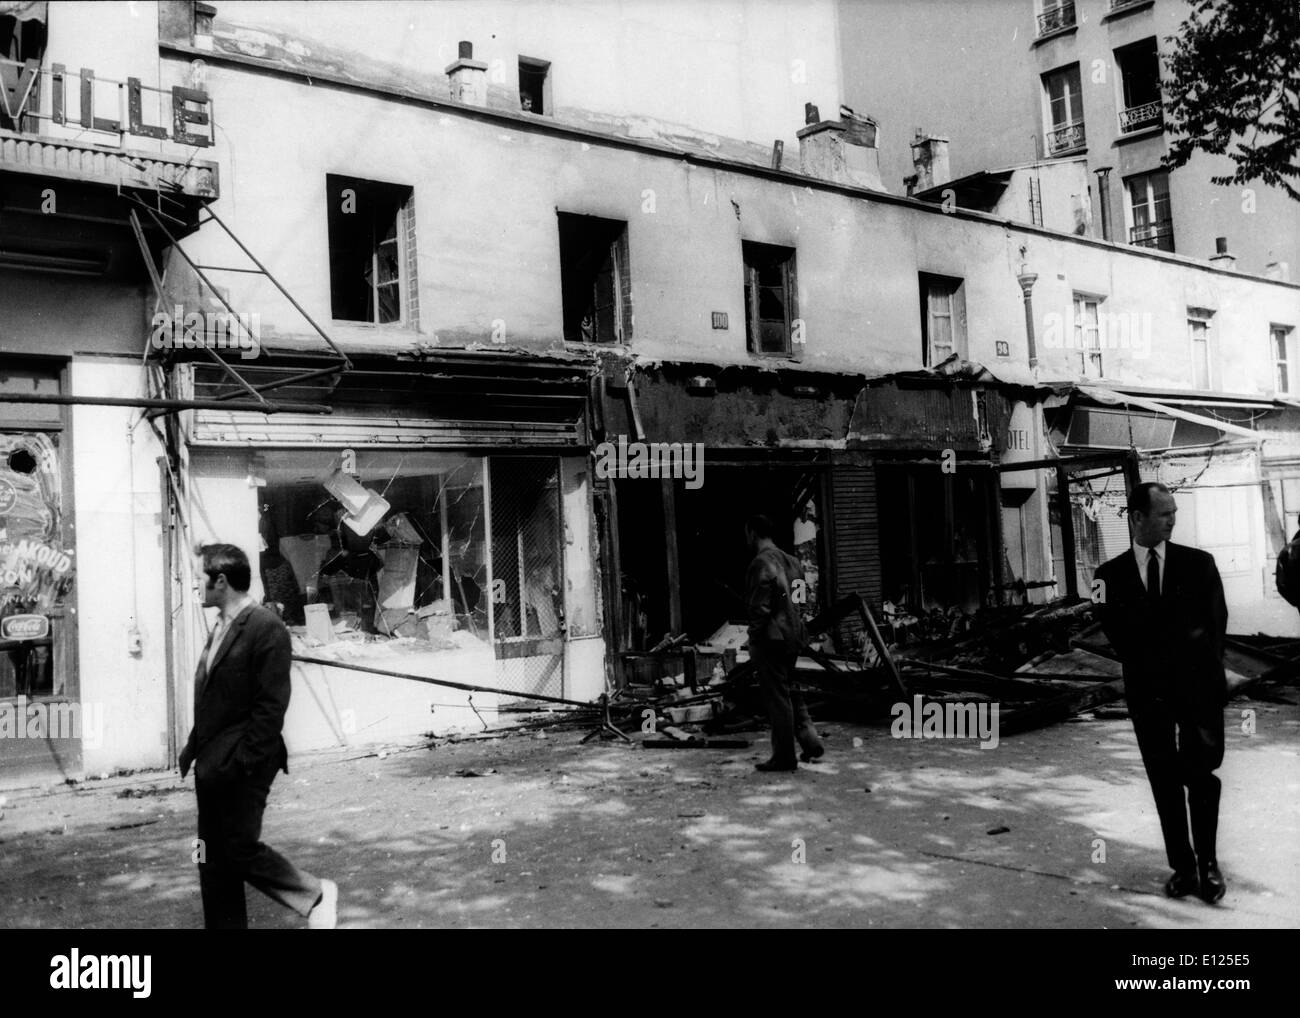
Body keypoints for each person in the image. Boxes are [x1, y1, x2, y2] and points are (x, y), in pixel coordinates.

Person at [179, 543, 338, 929]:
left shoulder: (265, 626)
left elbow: (271, 706)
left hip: (244, 763)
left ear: (221, 580)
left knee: (238, 848)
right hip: (212, 763)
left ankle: (314, 894)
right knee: (211, 856)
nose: (195, 586)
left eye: (200, 578)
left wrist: (245, 760)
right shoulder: (221, 623)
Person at [1094, 483, 1229, 904]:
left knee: (1201, 776)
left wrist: (1198, 673)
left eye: (1174, 512)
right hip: (1148, 692)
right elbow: (1114, 631)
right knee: (1164, 780)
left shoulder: (1199, 564)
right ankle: (1183, 869)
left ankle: (1208, 865)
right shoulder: (1107, 577)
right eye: (1164, 513)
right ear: (1137, 517)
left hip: (1197, 688)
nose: (1173, 519)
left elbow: (1216, 623)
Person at [744, 514, 824, 772]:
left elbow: (760, 609)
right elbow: (800, 602)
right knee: (793, 692)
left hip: (771, 641)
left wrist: (752, 640)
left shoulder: (760, 564)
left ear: (753, 533)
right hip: (793, 637)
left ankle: (784, 757)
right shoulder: (794, 562)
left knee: (778, 698)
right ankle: (811, 743)